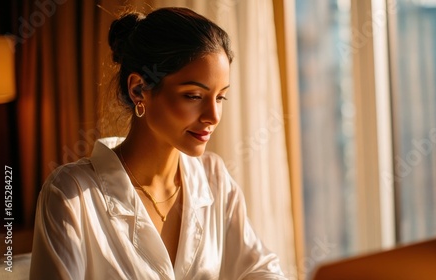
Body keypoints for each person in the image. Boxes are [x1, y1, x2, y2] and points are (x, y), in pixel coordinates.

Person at [30, 7, 286, 280]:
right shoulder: (71, 195)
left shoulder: (214, 178)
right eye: (193, 96)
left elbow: (261, 270)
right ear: (139, 89)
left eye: (220, 97)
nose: (213, 116)